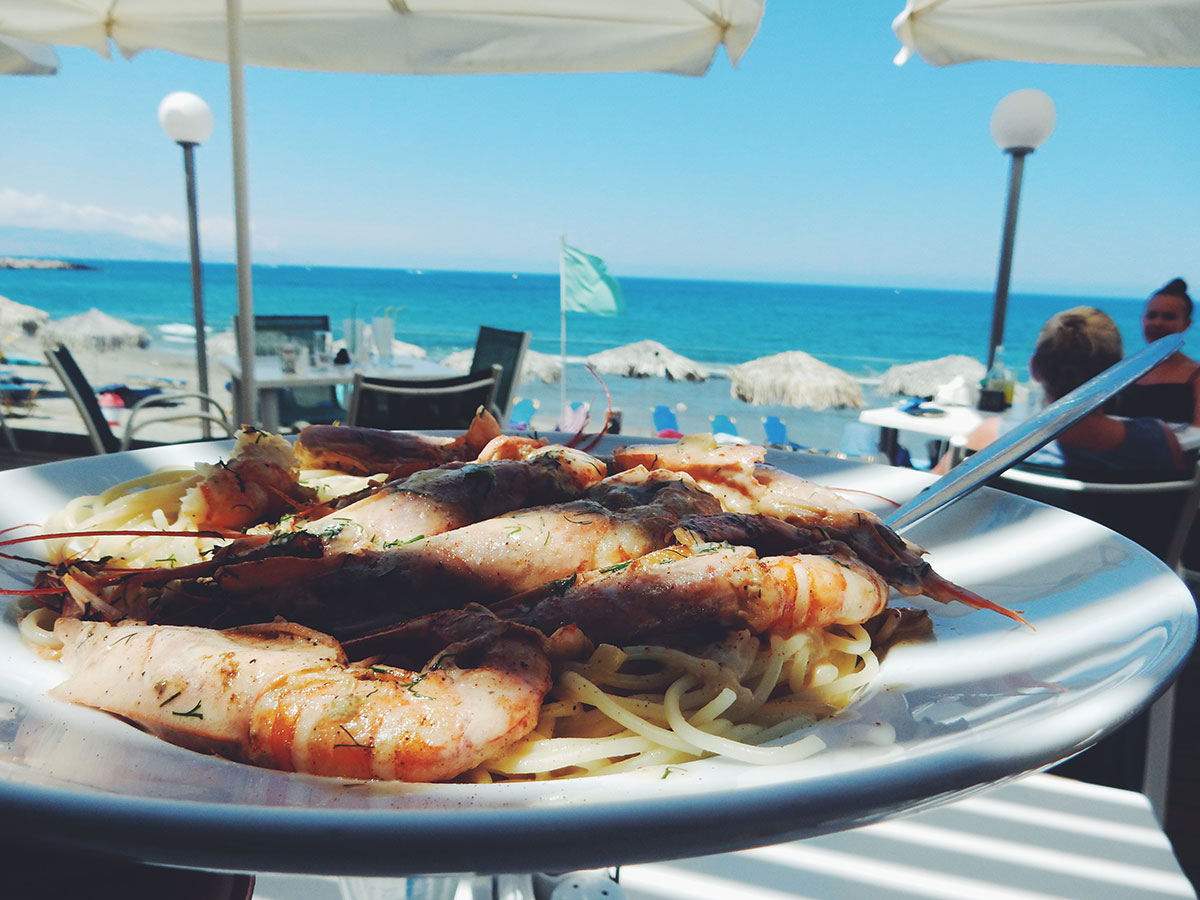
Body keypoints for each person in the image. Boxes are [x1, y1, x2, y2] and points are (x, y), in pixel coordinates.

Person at [934, 306, 1186, 480]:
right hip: (1124, 558)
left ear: (1034, 369)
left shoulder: (991, 440)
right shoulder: (1159, 441)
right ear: (1118, 373)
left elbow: (919, 499)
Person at [1111, 277, 1200, 425]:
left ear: (1187, 323)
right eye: (1152, 315)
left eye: (1168, 317)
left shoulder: (1195, 376)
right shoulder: (1121, 369)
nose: (1158, 323)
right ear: (1143, 319)